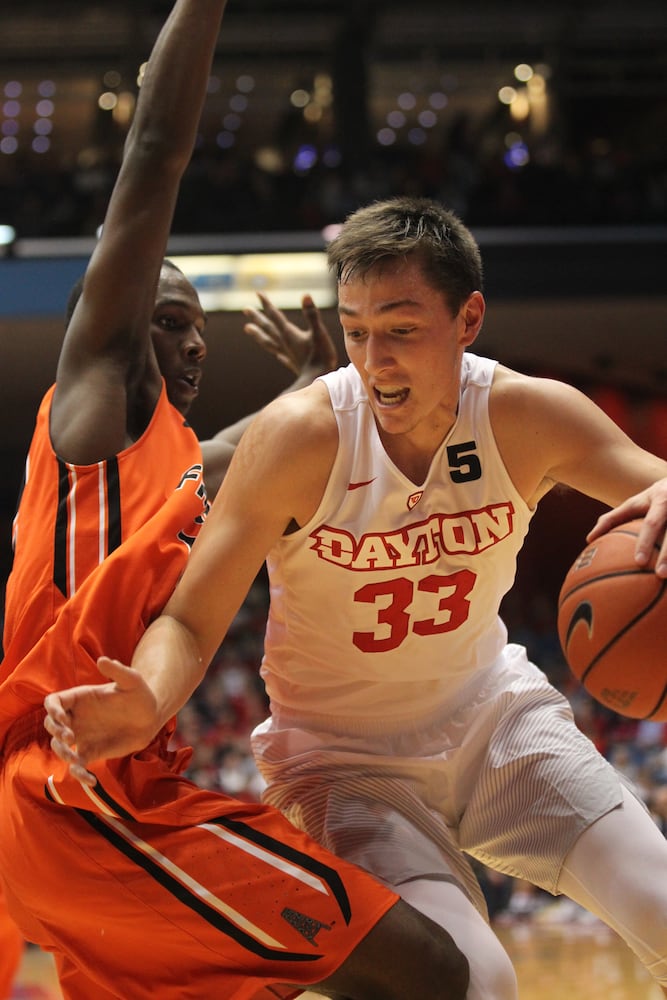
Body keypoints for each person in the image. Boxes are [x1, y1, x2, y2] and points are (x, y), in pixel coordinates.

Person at [45, 194, 667, 1000]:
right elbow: (194, 622)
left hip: (497, 722)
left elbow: (651, 480)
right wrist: (149, 700)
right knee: (479, 983)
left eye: (402, 330)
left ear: (467, 318)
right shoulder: (298, 437)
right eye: (356, 331)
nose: (375, 359)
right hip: (343, 761)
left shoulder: (527, 414)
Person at [0, 1, 470, 995]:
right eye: (169, 320)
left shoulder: (169, 467)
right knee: (425, 971)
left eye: (199, 328)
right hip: (77, 800)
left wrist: (307, 392)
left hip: (107, 800)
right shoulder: (94, 403)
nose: (193, 341)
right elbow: (156, 156)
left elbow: (234, 456)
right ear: (119, 331)